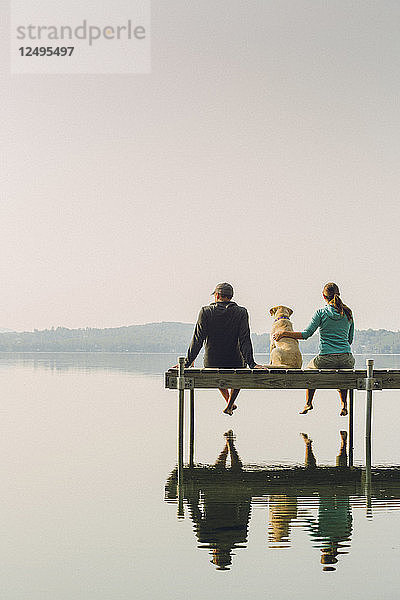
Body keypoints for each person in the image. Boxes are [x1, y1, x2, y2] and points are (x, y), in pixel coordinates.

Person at [273, 282, 355, 416]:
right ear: (338, 294)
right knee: (344, 373)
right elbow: (350, 340)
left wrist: (284, 333)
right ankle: (344, 404)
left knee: (309, 370)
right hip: (347, 358)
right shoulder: (348, 313)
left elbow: (306, 334)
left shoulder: (321, 313)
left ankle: (309, 403)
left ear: (323, 296)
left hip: (326, 358)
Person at [183, 282, 262, 415]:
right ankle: (230, 403)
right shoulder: (241, 312)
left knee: (216, 374)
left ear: (217, 295)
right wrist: (252, 364)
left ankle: (229, 403)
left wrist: (186, 362)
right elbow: (245, 339)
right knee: (239, 374)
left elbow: (198, 339)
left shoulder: (206, 311)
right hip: (235, 362)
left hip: (212, 363)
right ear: (231, 296)